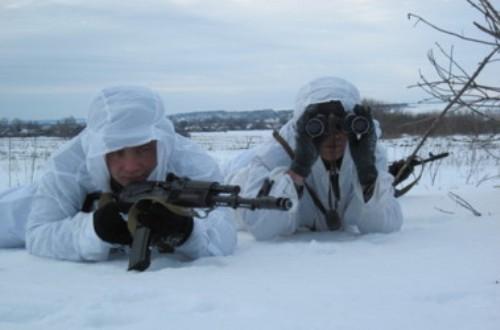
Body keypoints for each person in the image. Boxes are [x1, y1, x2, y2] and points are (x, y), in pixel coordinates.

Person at [0, 86, 237, 262]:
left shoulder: (192, 162)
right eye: (116, 152)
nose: (132, 166)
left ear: (161, 143)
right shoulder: (68, 165)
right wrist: (93, 230)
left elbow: (224, 235)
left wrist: (187, 232)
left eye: (144, 149)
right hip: (38, 209)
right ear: (98, 150)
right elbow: (38, 234)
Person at [225, 76, 403, 240]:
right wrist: (298, 170)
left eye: (341, 124)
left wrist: (367, 175)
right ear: (301, 126)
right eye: (319, 127)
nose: (333, 136)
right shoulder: (272, 156)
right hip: (237, 177)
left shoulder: (367, 153)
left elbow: (386, 226)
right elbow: (263, 228)